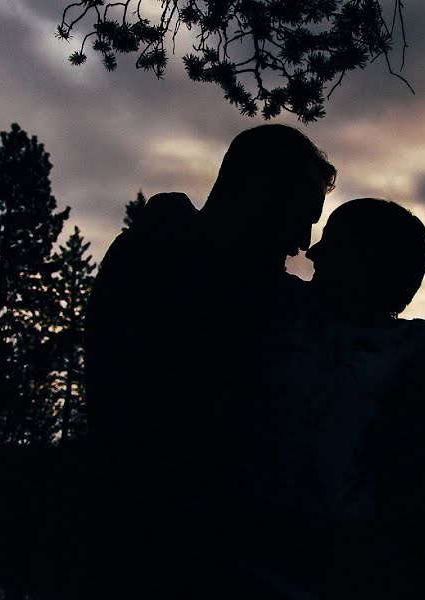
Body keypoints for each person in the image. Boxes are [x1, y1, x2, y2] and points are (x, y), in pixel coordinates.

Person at [83, 124, 336, 598]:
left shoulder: (210, 269)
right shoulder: (166, 265)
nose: (304, 241)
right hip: (158, 547)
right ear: (258, 192)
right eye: (301, 215)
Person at [242, 198, 425, 599]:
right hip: (256, 563)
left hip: (363, 573)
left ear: (368, 264)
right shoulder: (278, 306)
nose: (313, 252)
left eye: (332, 242)